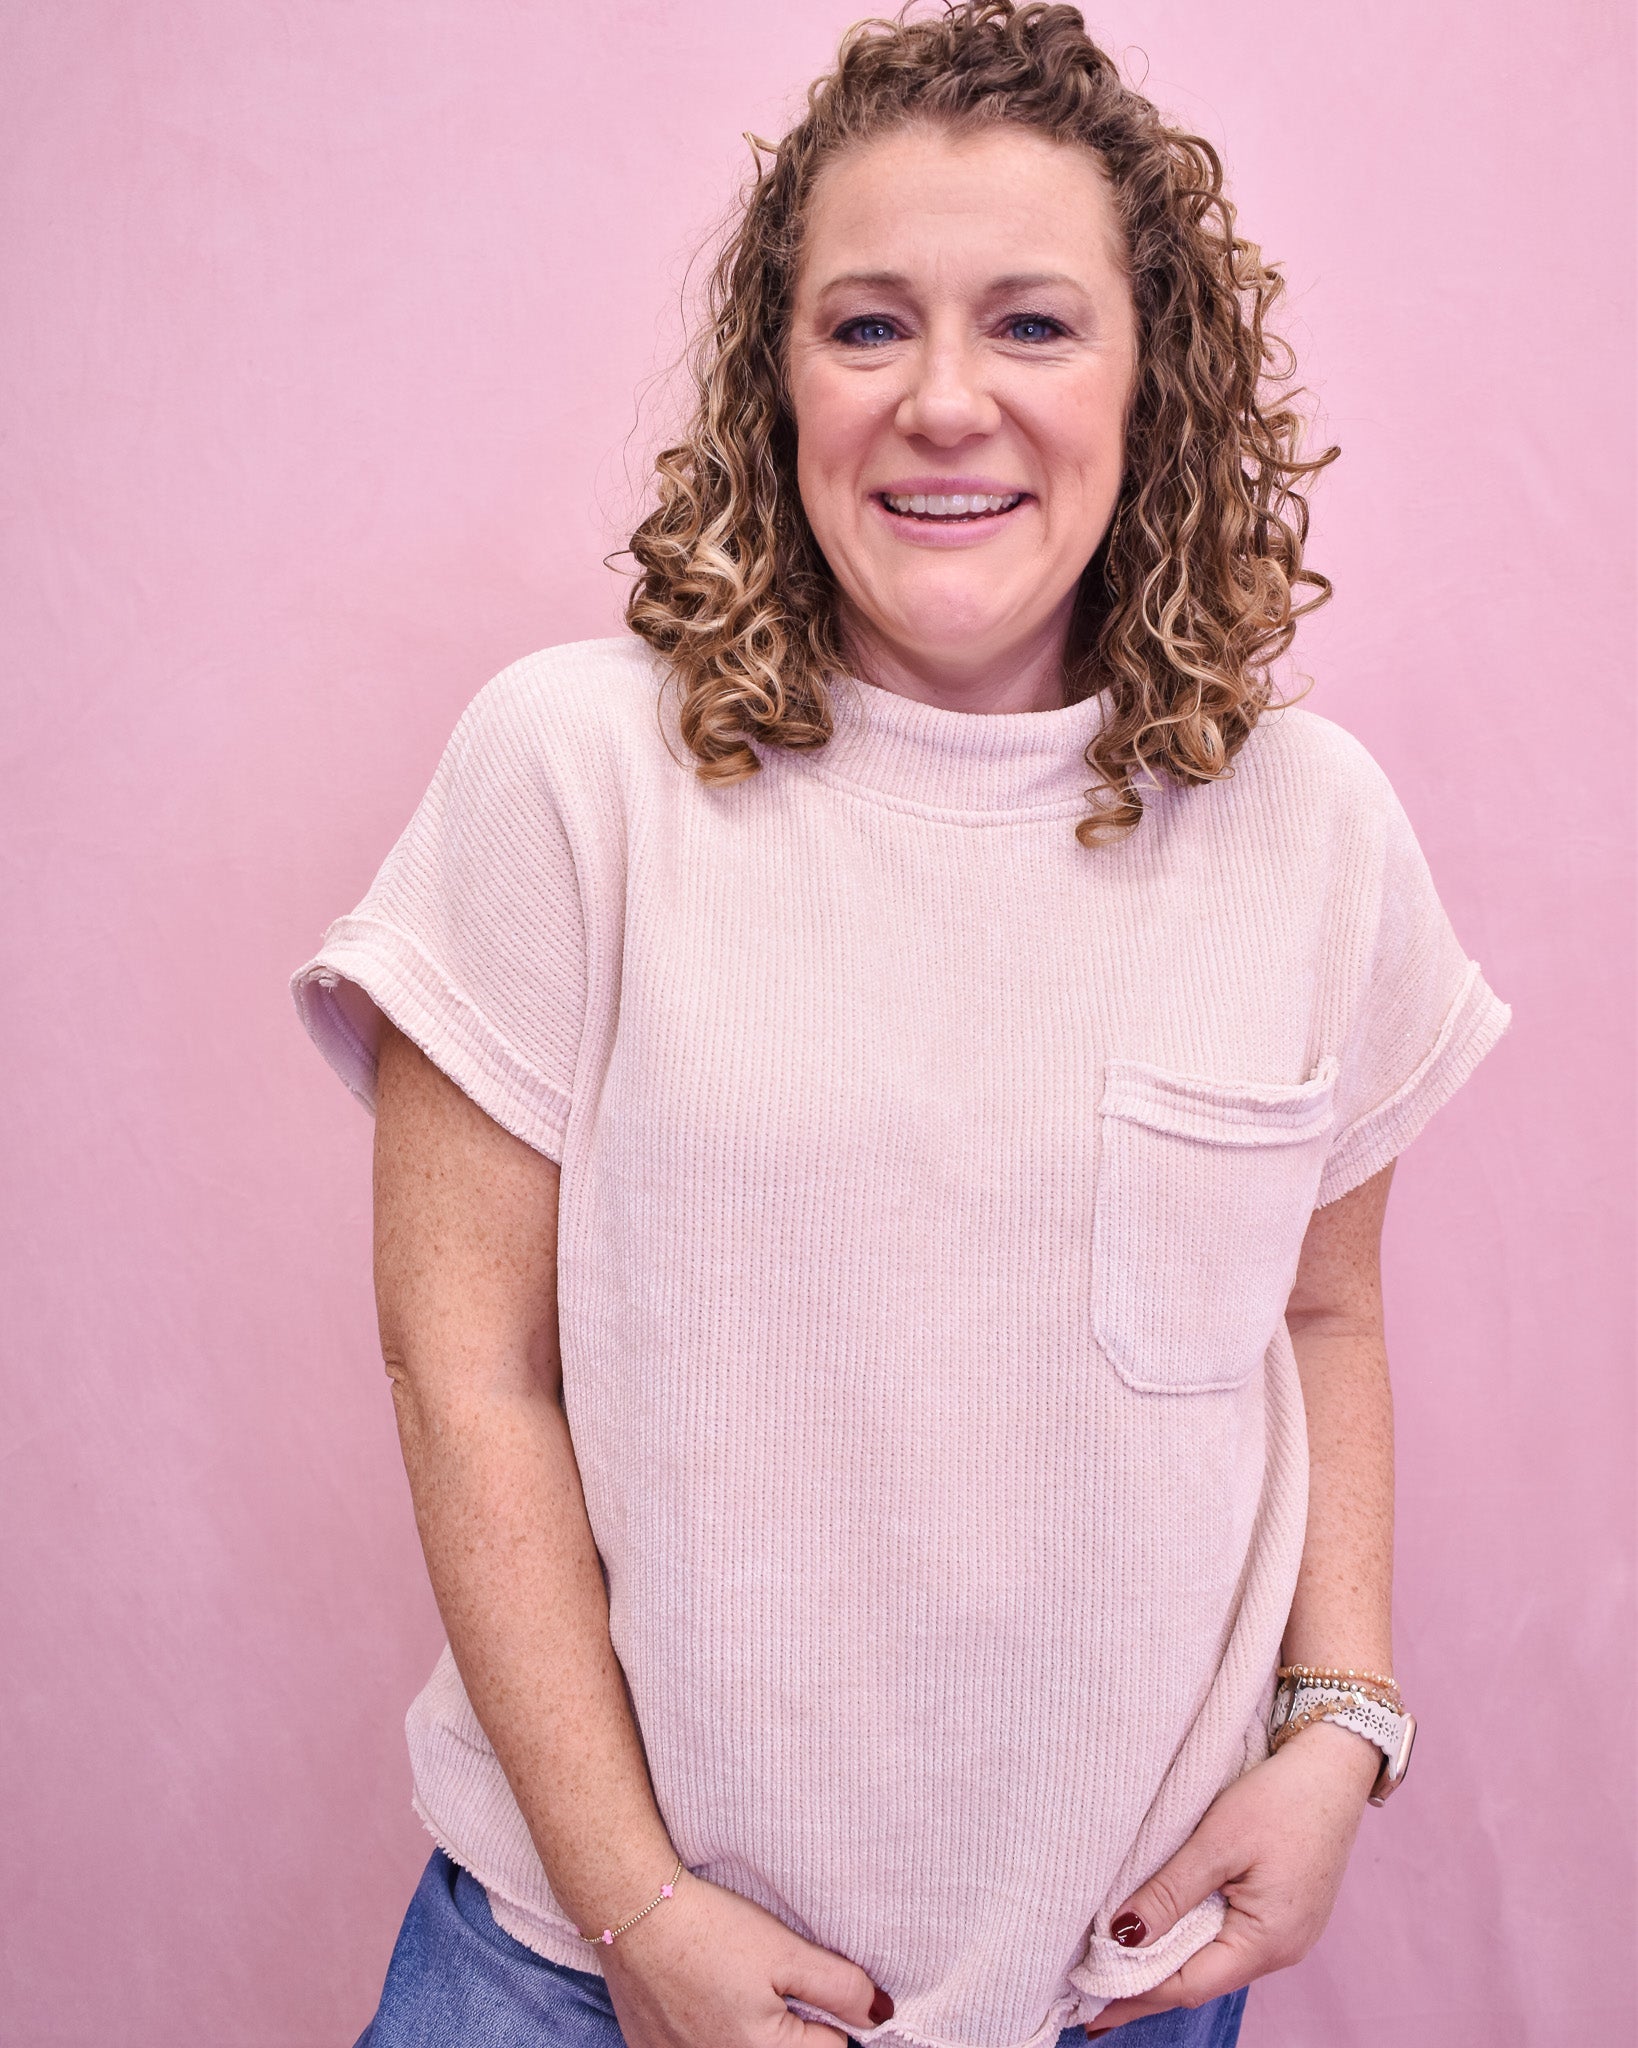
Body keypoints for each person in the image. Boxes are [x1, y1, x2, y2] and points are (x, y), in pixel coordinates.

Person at [290, 5, 1510, 2044]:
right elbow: (464, 1362)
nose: (945, 401)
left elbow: (1321, 1317)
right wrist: (637, 1907)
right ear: (779, 385)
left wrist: (1342, 1727)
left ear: (1157, 380)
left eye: (1032, 323)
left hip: (1114, 1985)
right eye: (867, 327)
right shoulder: (575, 772)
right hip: (578, 1972)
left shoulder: (1311, 830)